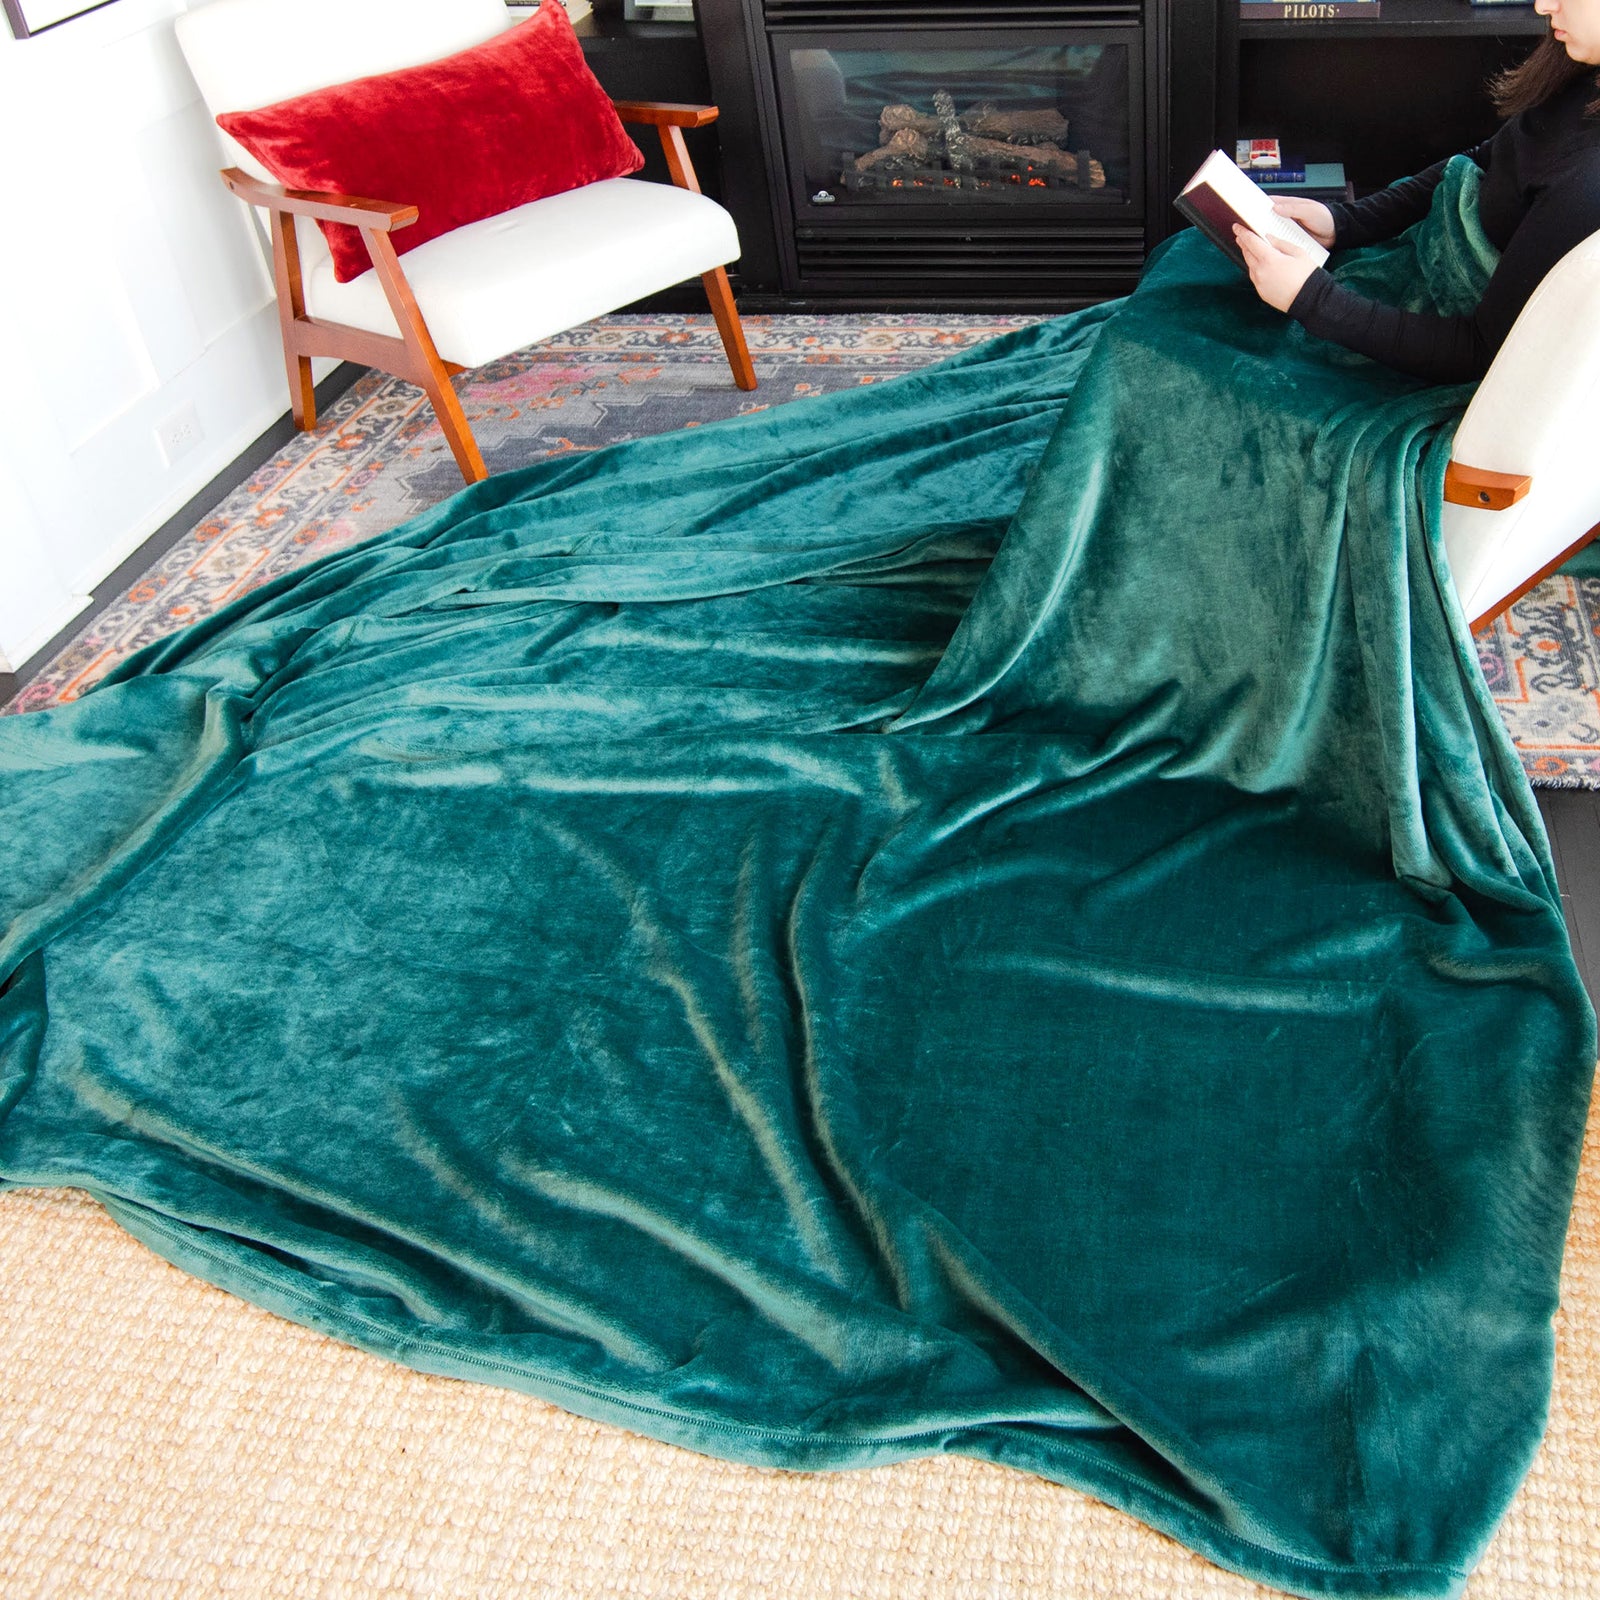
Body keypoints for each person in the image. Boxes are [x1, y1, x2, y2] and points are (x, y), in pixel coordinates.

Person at [1231, 0, 1600, 381]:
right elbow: (1479, 162)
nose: (1542, 4)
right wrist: (1344, 221)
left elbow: (1481, 350)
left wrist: (1313, 300)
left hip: (1430, 356)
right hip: (1406, 280)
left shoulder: (1591, 178)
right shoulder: (1582, 72)